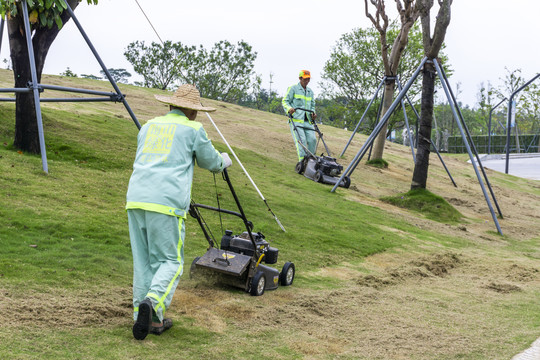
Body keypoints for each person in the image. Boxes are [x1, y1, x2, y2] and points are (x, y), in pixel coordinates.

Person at [125, 84, 232, 340]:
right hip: (166, 202)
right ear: (193, 111)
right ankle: (152, 303)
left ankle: (150, 319)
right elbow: (210, 161)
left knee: (144, 262)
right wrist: (224, 160)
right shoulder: (193, 128)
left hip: (136, 198)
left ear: (170, 105)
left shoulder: (149, 125)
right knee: (171, 262)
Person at [282, 70, 317, 164]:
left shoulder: (310, 91)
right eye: (305, 79)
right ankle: (302, 162)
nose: (307, 81)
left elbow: (312, 105)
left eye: (308, 79)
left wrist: (313, 113)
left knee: (313, 140)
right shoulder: (293, 88)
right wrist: (289, 109)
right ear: (300, 78)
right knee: (301, 141)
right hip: (296, 120)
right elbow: (285, 101)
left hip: (308, 121)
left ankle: (311, 161)